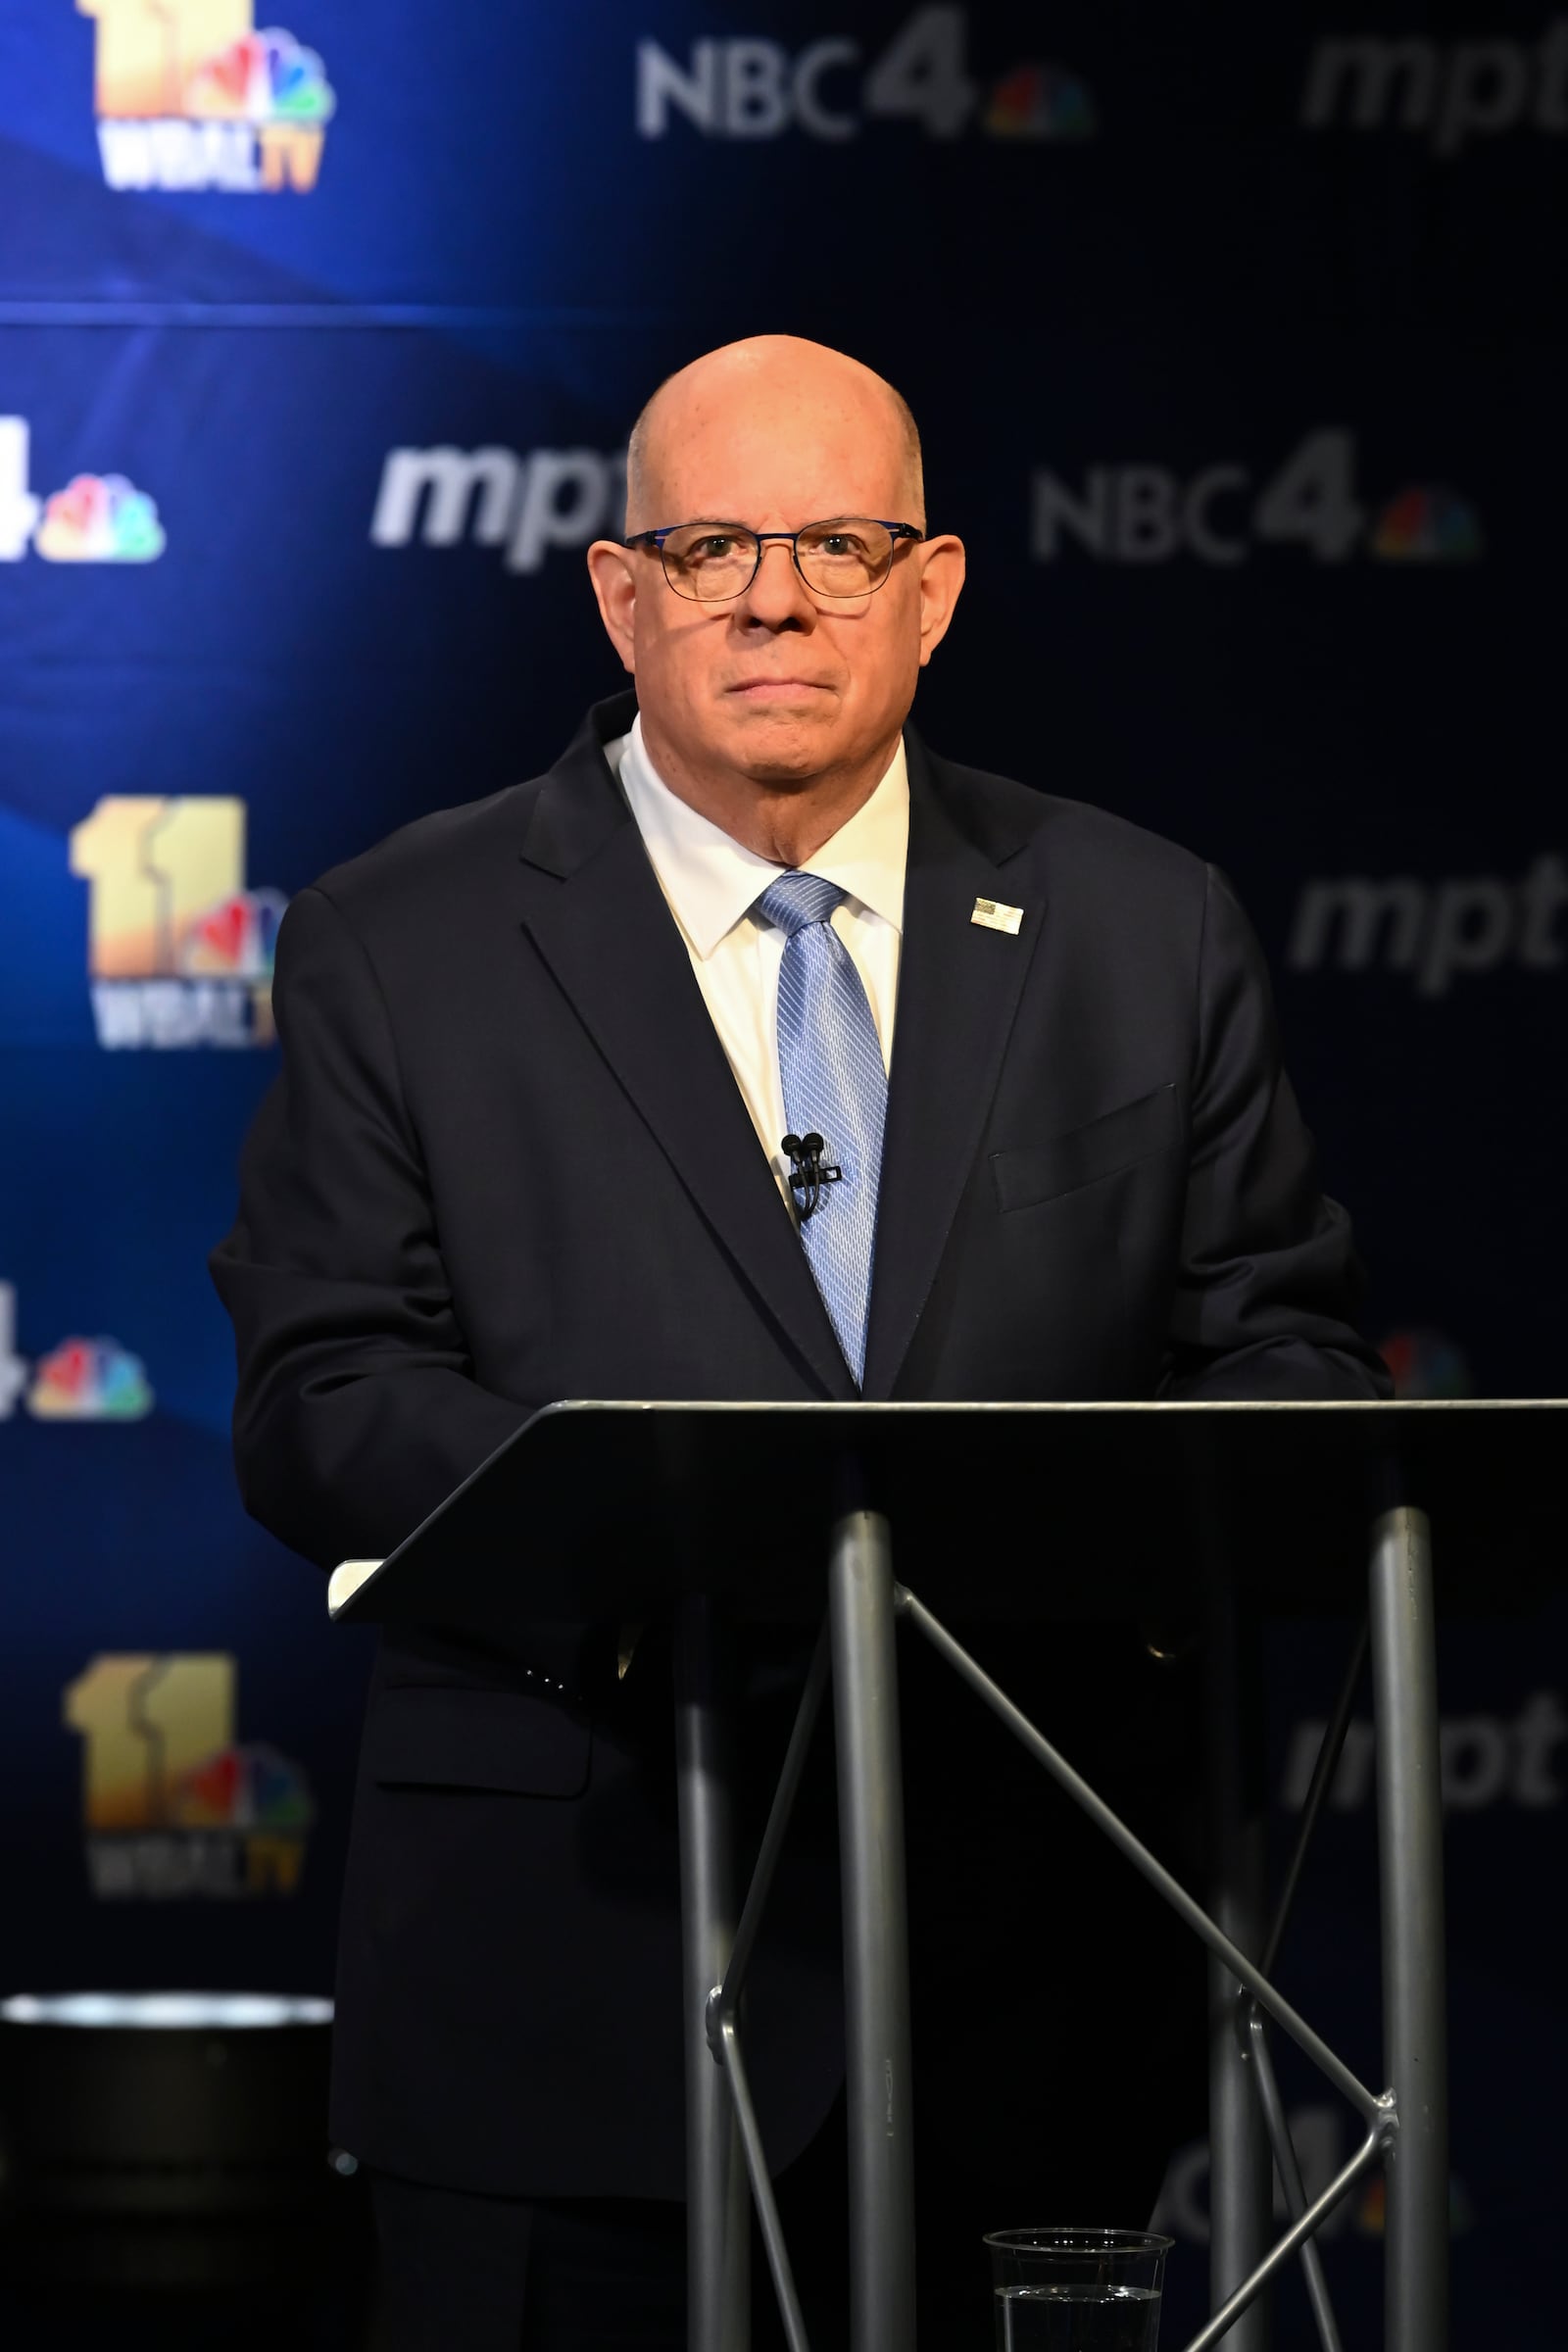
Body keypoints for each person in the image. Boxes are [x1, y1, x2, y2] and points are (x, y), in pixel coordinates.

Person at [211, 334, 1391, 2349]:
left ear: (928, 594)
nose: (774, 596)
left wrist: (1059, 1532)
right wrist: (658, 1539)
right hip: (571, 1982)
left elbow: (1275, 1359)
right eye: (711, 546)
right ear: (621, 593)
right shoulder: (398, 938)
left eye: (839, 546)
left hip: (1025, 1994)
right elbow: (325, 1394)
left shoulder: (1137, 925)